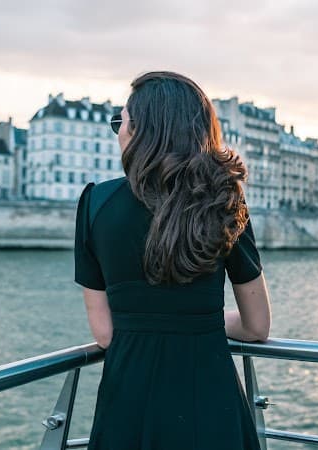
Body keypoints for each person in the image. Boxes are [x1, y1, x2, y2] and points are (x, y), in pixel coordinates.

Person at [74, 71, 271, 450]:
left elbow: (104, 332)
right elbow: (257, 325)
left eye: (121, 122)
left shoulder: (95, 204)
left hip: (128, 404)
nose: (118, 132)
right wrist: (202, 319)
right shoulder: (224, 201)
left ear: (140, 131)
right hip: (211, 403)